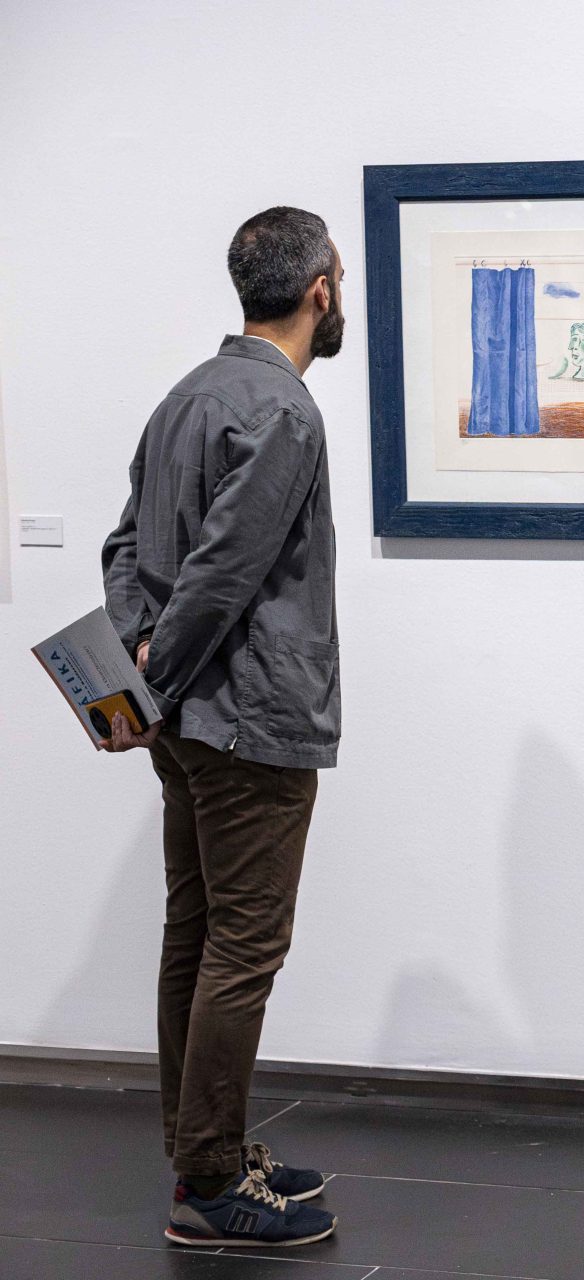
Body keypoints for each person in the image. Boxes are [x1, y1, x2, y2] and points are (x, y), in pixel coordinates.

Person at [99, 206, 345, 1249]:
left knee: (195, 933)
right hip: (250, 719)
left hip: (187, 726)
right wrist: (158, 674)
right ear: (321, 290)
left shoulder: (186, 395)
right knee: (242, 946)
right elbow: (226, 572)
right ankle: (206, 1183)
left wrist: (137, 672)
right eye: (340, 281)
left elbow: (124, 548)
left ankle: (205, 1146)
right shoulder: (283, 410)